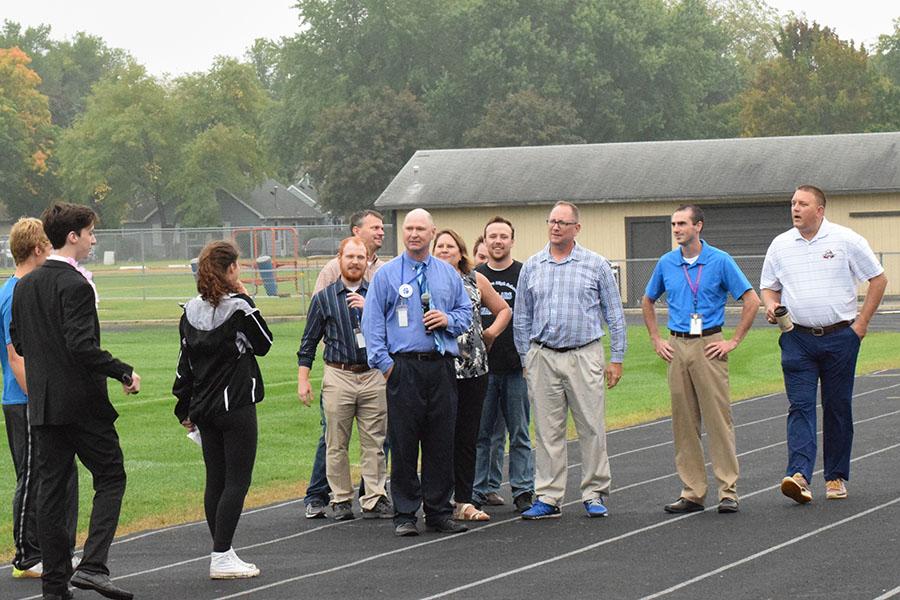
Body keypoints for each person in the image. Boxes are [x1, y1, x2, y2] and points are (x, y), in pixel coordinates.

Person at [11, 202, 140, 600]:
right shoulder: (76, 284)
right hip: (81, 404)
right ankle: (93, 566)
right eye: (89, 233)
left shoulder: (25, 285)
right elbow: (82, 346)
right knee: (111, 476)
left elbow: (19, 339)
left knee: (50, 493)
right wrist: (123, 370)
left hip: (44, 404)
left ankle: (55, 587)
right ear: (73, 236)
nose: (93, 240)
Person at [761, 185, 887, 504]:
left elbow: (878, 278)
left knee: (837, 407)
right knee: (800, 406)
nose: (795, 208)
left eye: (802, 204)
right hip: (797, 339)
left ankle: (835, 477)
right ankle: (800, 475)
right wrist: (770, 305)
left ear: (820, 210)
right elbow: (768, 288)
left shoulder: (846, 240)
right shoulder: (780, 245)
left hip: (840, 338)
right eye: (792, 203)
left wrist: (861, 325)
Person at [361, 208, 473, 537]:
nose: (413, 234)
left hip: (440, 366)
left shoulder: (447, 274)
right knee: (405, 442)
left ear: (432, 232)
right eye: (408, 228)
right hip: (403, 368)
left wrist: (447, 320)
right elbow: (372, 324)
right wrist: (387, 367)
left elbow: (466, 313)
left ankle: (438, 511)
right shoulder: (387, 275)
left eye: (420, 229)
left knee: (441, 442)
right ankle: (406, 513)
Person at [642, 205, 760, 514]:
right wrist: (656, 339)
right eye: (673, 224)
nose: (676, 229)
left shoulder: (720, 261)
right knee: (683, 423)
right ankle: (692, 491)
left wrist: (733, 340)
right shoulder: (667, 263)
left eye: (682, 223)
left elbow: (751, 299)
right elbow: (648, 299)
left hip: (709, 343)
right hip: (677, 344)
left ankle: (728, 491)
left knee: (718, 420)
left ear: (699, 226)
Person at [513, 201, 625, 520]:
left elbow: (614, 315)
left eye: (563, 222)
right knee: (548, 431)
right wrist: (526, 358)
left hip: (583, 353)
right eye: (552, 221)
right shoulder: (533, 266)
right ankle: (548, 496)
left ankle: (593, 492)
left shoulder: (596, 264)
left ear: (577, 227)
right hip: (543, 355)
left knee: (591, 426)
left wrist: (616, 358)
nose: (556, 227)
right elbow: (522, 317)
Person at [173, 240, 273, 579]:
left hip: (203, 407)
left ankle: (223, 550)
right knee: (237, 481)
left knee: (215, 480)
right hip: (235, 406)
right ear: (230, 270)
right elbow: (264, 344)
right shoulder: (239, 309)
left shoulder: (189, 310)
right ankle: (221, 554)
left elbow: (183, 366)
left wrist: (183, 408)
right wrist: (246, 297)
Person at [2, 218, 78, 580]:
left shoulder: (29, 288)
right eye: (49, 245)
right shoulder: (14, 292)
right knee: (31, 477)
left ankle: (54, 550)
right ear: (37, 249)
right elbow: (16, 355)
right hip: (25, 399)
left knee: (55, 477)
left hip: (40, 397)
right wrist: (41, 400)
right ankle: (27, 555)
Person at [297, 237, 392, 521]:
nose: (354, 262)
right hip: (339, 374)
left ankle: (375, 497)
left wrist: (369, 308)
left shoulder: (378, 293)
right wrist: (304, 379)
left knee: (374, 441)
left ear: (367, 261)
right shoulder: (324, 298)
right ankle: (340, 497)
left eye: (360, 258)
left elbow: (394, 331)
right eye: (349, 256)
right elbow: (309, 341)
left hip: (373, 374)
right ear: (339, 259)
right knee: (336, 441)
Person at [433, 229, 511, 521]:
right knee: (439, 436)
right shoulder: (422, 280)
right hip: (438, 368)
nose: (444, 250)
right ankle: (438, 499)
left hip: (473, 368)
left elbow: (504, 309)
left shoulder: (475, 279)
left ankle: (464, 500)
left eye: (449, 246)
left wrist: (490, 334)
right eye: (439, 246)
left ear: (460, 251)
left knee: (468, 435)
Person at [473, 217, 535, 513]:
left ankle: (523, 489)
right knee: (481, 434)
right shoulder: (475, 276)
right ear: (484, 242)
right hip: (482, 369)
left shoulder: (526, 274)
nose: (497, 241)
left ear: (512, 240)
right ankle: (477, 488)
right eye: (492, 237)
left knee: (519, 432)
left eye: (503, 236)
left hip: (515, 367)